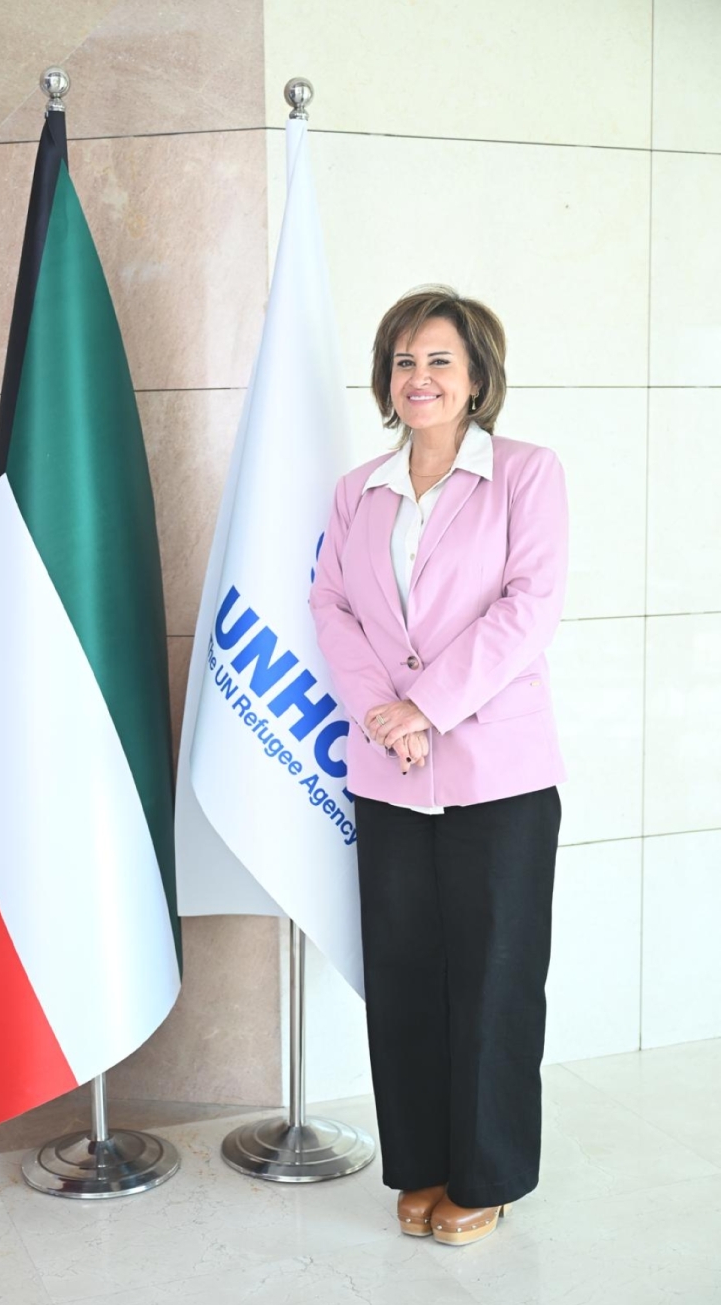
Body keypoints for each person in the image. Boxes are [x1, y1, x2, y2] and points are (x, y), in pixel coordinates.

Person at [309, 284, 568, 1247]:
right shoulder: (358, 490)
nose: (419, 377)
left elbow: (528, 608)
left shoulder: (527, 474)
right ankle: (420, 1161)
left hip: (498, 773)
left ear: (476, 376)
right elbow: (331, 606)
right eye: (404, 361)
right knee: (406, 973)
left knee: (496, 978)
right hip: (387, 773)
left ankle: (488, 1174)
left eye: (439, 361)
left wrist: (426, 706)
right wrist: (386, 716)